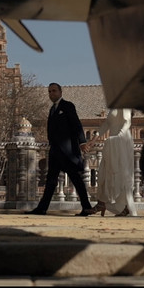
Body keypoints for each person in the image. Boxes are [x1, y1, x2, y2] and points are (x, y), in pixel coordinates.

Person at [25, 83, 97, 216]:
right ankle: (42, 208)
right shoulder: (52, 109)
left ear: (60, 92)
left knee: (76, 179)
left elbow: (76, 124)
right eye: (49, 91)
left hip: (67, 151)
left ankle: (86, 207)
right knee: (51, 180)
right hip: (55, 151)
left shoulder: (68, 106)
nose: (51, 93)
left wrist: (82, 142)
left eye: (54, 91)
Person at [91, 108, 138, 217]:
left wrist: (119, 137)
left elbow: (127, 122)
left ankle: (123, 207)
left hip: (121, 141)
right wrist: (94, 139)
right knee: (104, 170)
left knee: (121, 174)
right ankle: (102, 202)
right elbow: (107, 123)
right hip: (113, 141)